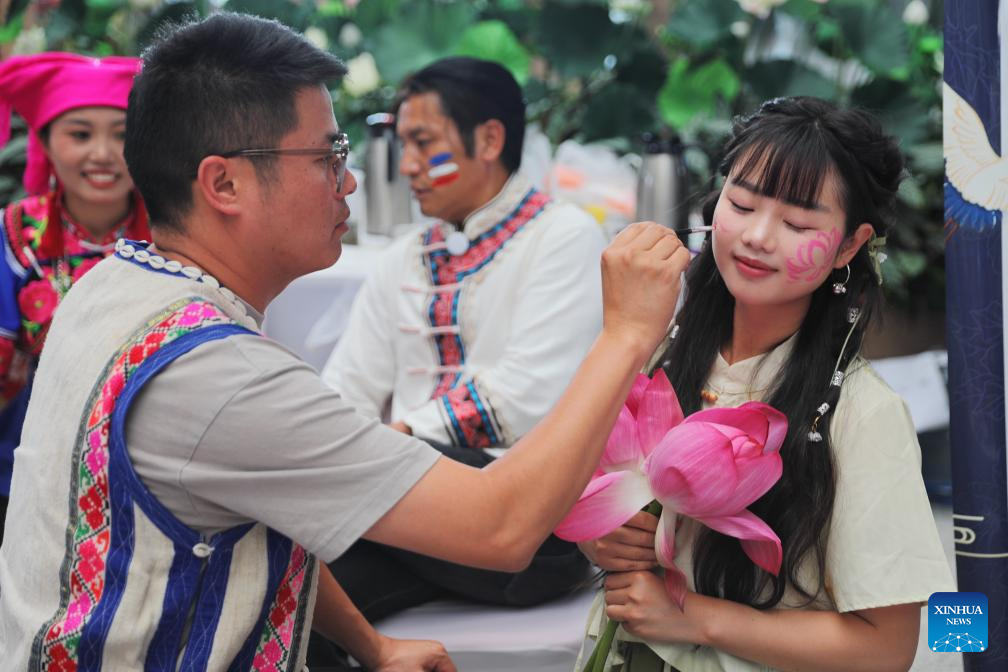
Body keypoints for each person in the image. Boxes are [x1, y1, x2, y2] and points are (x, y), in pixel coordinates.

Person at [0, 13, 690, 671]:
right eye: (328, 156)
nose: (351, 181)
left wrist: (373, 645)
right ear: (224, 183)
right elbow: (502, 529)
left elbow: (272, 498)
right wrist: (627, 334)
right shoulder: (220, 369)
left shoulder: (112, 283)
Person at [577, 97, 955, 671]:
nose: (756, 236)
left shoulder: (862, 413)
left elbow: (887, 648)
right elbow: (581, 493)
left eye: (797, 224)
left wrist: (693, 617)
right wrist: (603, 536)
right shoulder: (651, 347)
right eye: (742, 203)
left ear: (849, 245)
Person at [317, 56, 604, 630]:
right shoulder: (402, 257)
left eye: (424, 143)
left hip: (534, 523)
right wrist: (333, 451)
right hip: (412, 508)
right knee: (306, 594)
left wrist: (391, 441)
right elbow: (346, 389)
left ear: (490, 140)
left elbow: (527, 397)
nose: (408, 164)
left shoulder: (565, 236)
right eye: (405, 145)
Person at [0, 52, 150, 543]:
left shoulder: (180, 232)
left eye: (123, 135)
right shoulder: (14, 235)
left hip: (153, 473)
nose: (103, 154)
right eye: (81, 134)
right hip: (27, 468)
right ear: (44, 141)